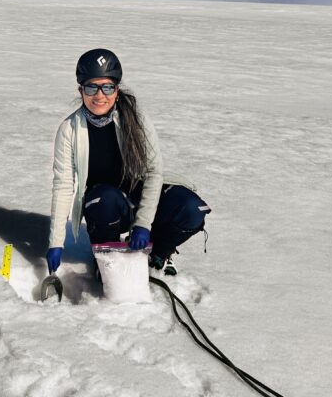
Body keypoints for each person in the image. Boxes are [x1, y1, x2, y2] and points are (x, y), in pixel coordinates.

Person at [45, 48, 211, 277]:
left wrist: (143, 223)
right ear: (80, 89)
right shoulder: (69, 130)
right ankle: (108, 259)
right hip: (103, 207)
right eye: (91, 86)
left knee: (192, 209)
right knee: (104, 197)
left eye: (107, 87)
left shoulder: (136, 118)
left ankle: (158, 252)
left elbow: (154, 171)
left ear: (117, 89)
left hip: (138, 197)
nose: (99, 95)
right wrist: (56, 243)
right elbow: (63, 186)